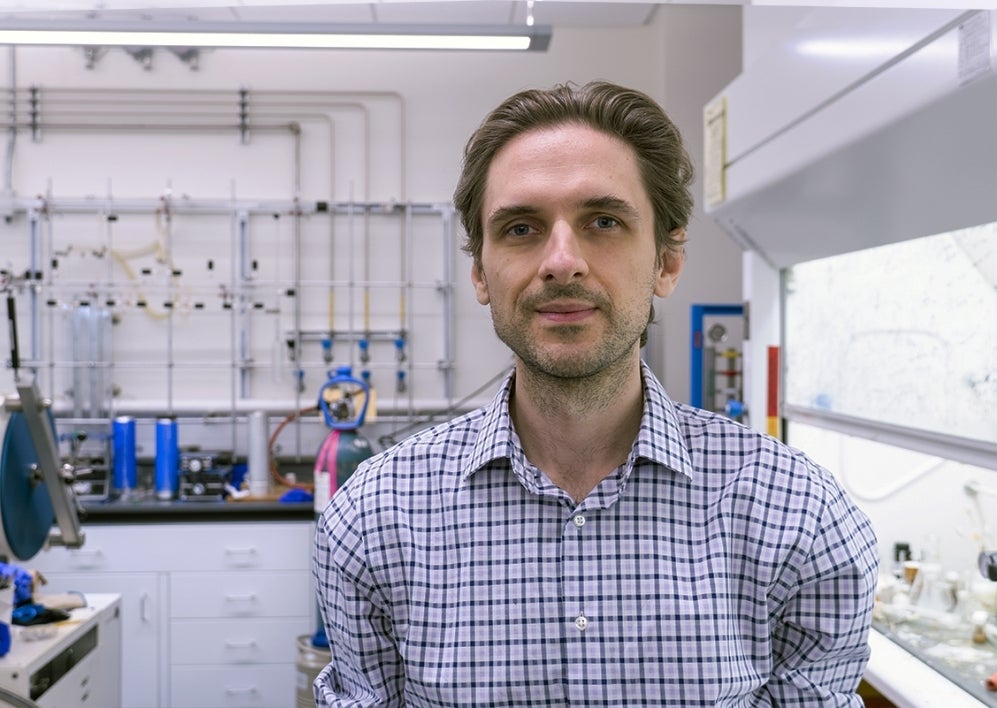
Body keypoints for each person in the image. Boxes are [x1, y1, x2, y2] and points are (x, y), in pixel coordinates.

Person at [312, 80, 879, 706]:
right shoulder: (375, 519)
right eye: (521, 227)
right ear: (480, 272)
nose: (561, 261)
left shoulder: (801, 518)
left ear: (667, 260)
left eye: (603, 221)